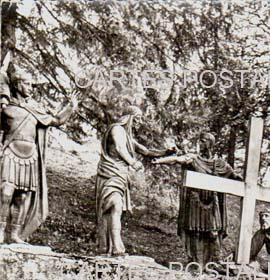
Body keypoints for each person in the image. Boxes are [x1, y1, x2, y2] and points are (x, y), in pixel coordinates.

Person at [0, 67, 78, 244]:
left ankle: (14, 234)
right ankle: (0, 230)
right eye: (27, 83)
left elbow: (56, 120)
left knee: (23, 196)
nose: (30, 87)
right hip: (11, 152)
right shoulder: (6, 108)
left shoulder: (35, 109)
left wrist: (71, 107)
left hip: (30, 157)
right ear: (17, 84)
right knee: (5, 192)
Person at [152, 132, 241, 267]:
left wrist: (249, 184)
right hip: (195, 201)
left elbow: (234, 177)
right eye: (200, 141)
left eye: (204, 141)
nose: (201, 144)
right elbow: (177, 159)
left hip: (212, 202)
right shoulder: (193, 159)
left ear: (211, 144)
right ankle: (195, 263)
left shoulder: (220, 164)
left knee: (214, 232)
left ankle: (214, 262)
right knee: (196, 233)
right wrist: (159, 161)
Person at [96, 105, 172, 256]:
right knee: (114, 206)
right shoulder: (116, 129)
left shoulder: (128, 137)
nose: (138, 122)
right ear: (129, 117)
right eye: (137, 118)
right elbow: (119, 148)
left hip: (121, 176)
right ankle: (116, 248)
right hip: (110, 173)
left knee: (115, 210)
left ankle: (107, 247)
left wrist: (166, 152)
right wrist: (133, 162)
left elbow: (146, 151)